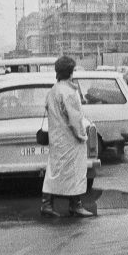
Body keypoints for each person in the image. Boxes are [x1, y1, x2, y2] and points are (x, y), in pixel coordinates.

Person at [41, 56, 95, 218]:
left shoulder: (54, 90)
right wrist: (82, 136)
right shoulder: (70, 92)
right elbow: (75, 119)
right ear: (71, 72)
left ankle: (46, 203)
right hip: (71, 140)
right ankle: (75, 204)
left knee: (54, 171)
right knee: (76, 172)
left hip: (57, 138)